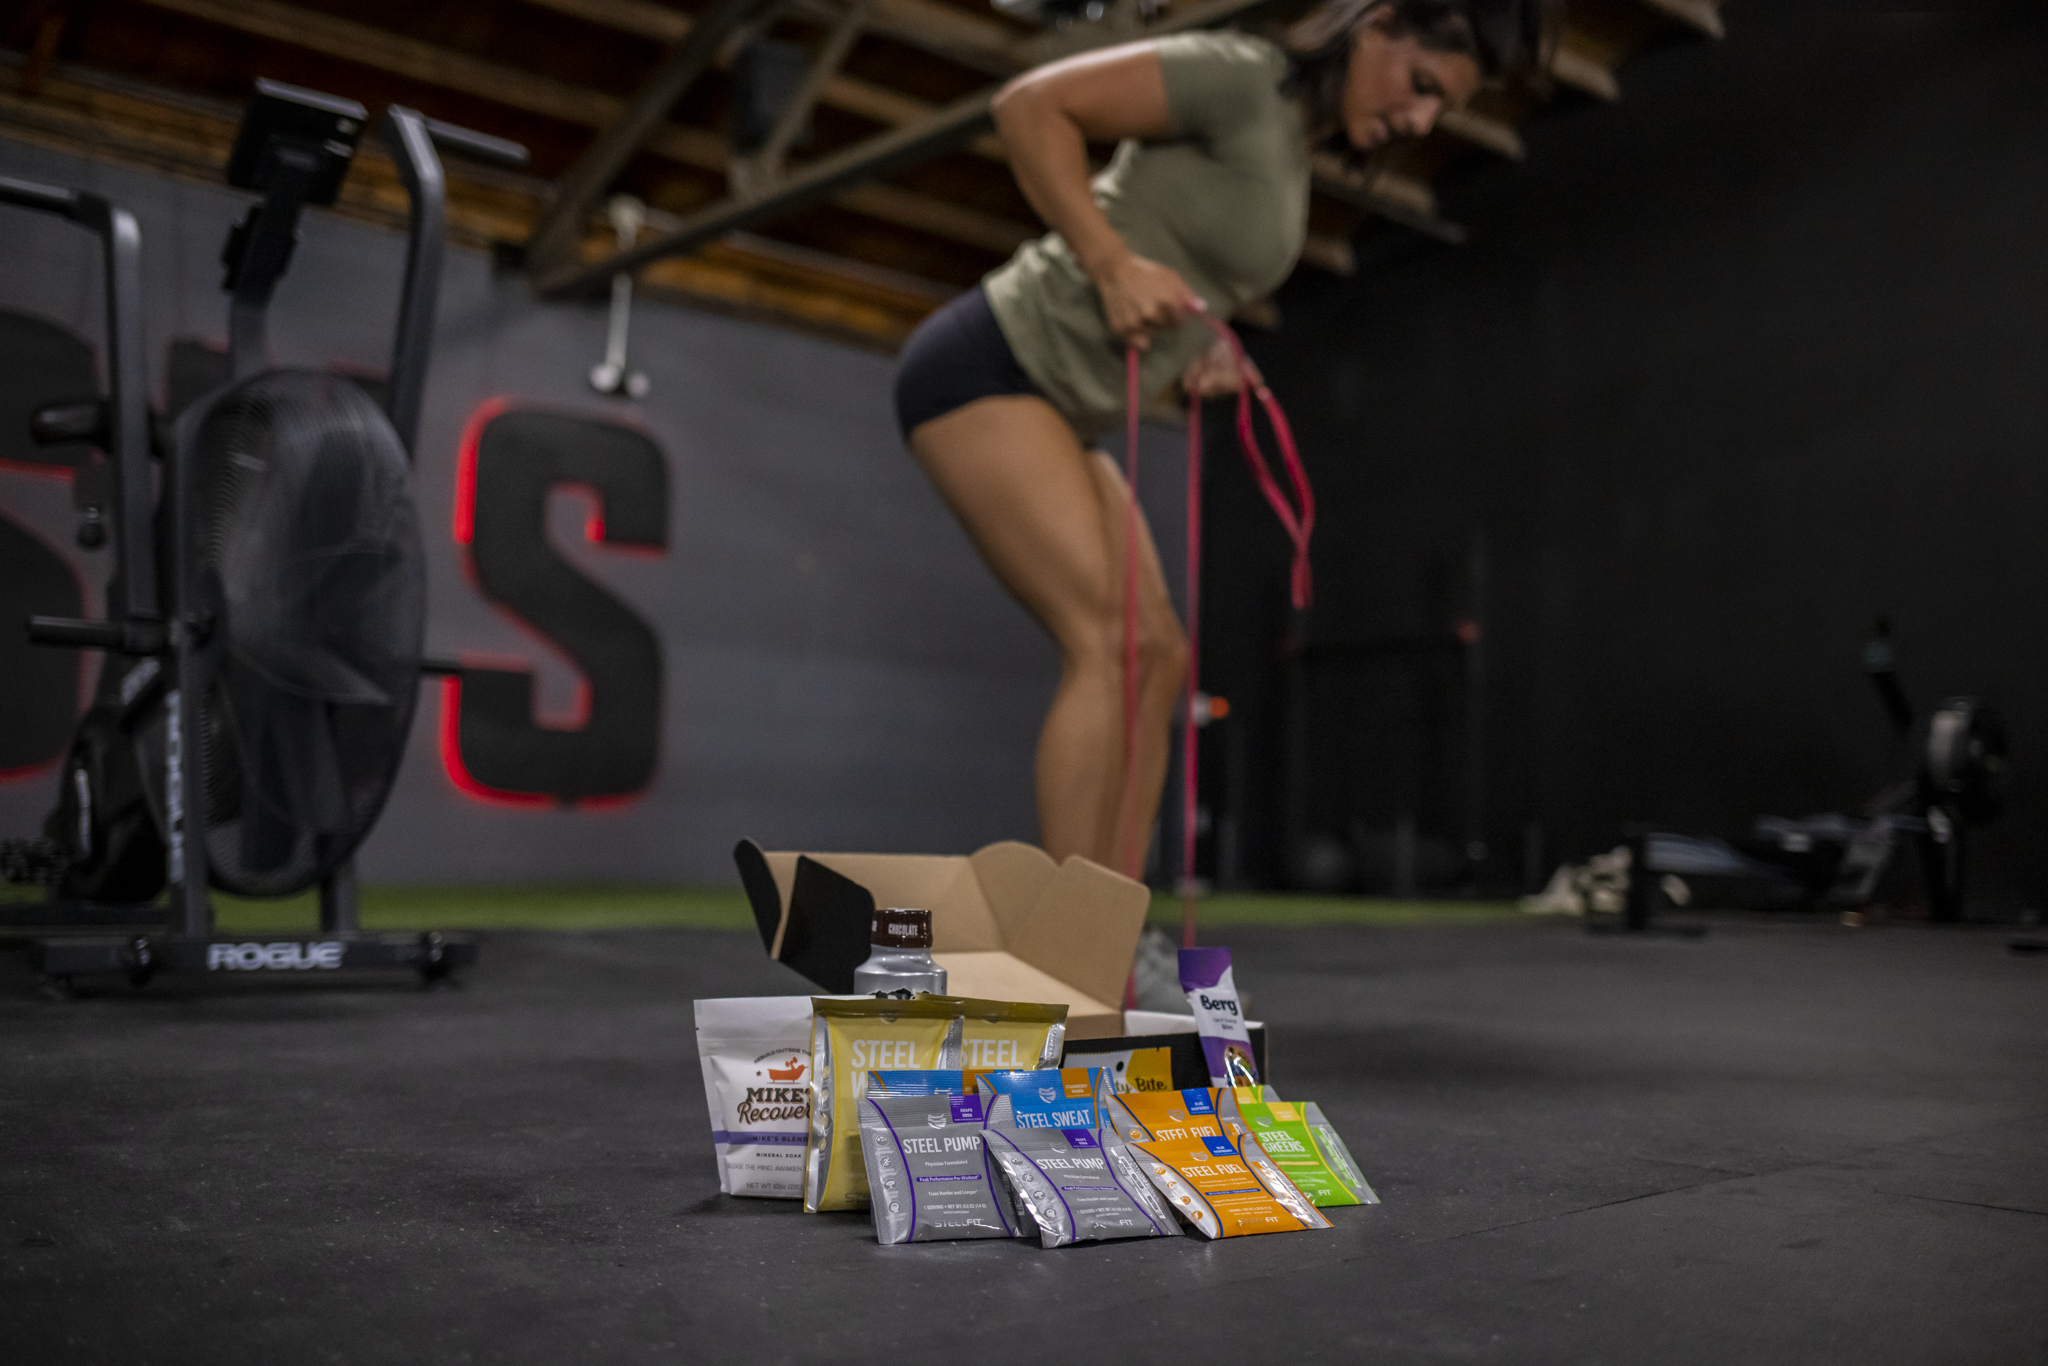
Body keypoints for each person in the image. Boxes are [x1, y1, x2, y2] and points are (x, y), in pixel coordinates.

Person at [894, 0, 1551, 874]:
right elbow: (1029, 106)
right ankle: (1068, 942)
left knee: (1160, 657)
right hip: (990, 367)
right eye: (1422, 85)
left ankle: (1112, 937)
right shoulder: (1240, 75)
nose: (1420, 119)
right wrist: (1110, 264)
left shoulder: (1286, 145)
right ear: (1376, 23)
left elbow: (1172, 245)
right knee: (1112, 644)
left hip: (1062, 408)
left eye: (1441, 108)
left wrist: (1204, 342)